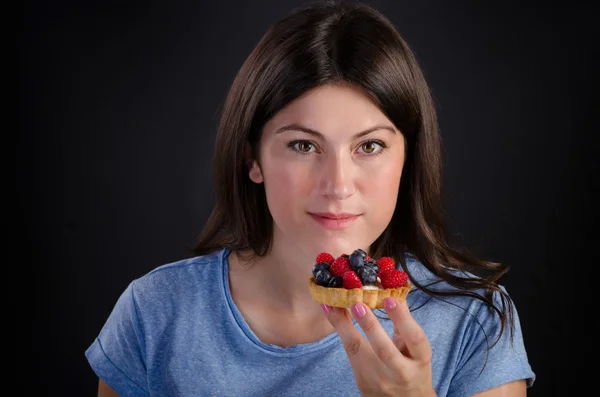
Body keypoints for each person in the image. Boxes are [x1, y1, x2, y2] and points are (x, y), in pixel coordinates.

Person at [85, 1, 535, 396]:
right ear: (253, 159)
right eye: (303, 145)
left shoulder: (475, 323)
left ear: (409, 159)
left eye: (370, 146)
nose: (338, 185)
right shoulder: (155, 312)